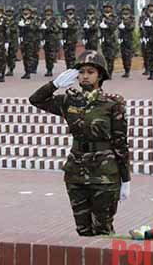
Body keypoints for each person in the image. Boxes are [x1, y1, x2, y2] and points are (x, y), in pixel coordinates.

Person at [29, 51, 131, 236]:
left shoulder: (112, 103)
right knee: (83, 230)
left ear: (100, 75)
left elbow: (121, 142)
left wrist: (125, 178)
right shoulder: (69, 100)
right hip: (76, 172)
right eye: (81, 72)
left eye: (90, 72)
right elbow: (35, 100)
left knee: (102, 230)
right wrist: (54, 85)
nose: (84, 76)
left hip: (104, 175)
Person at [40, 5, 61, 77]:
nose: (48, 13)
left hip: (53, 40)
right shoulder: (43, 20)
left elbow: (57, 29)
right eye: (46, 12)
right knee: (47, 56)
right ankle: (48, 69)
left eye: (49, 11)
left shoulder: (55, 20)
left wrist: (48, 28)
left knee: (51, 55)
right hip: (46, 40)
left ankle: (50, 69)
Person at [118, 5, 135, 78]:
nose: (125, 11)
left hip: (128, 39)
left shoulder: (131, 19)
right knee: (123, 55)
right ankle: (125, 69)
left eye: (127, 10)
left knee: (128, 55)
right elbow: (116, 26)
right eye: (124, 10)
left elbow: (132, 27)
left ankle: (128, 70)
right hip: (122, 39)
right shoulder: (120, 18)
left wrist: (125, 26)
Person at [61, 5, 80, 70]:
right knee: (66, 55)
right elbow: (61, 29)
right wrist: (61, 38)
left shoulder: (76, 19)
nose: (70, 11)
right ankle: (68, 68)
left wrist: (68, 27)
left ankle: (72, 68)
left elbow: (76, 28)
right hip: (65, 39)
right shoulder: (64, 19)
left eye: (71, 10)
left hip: (72, 39)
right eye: (68, 10)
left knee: (72, 55)